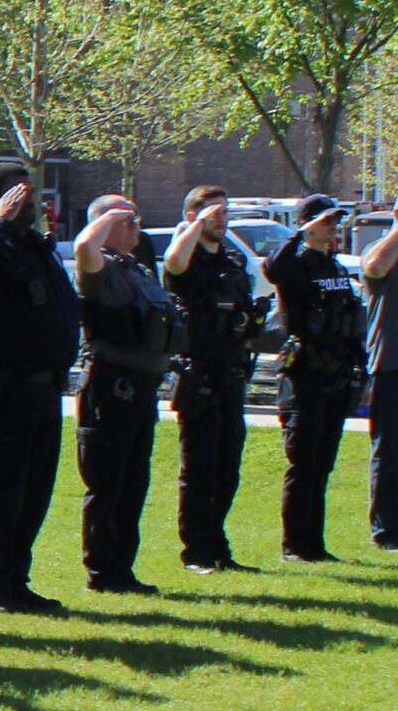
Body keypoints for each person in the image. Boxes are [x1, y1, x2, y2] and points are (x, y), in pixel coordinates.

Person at [0, 163, 81, 612]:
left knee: (34, 491)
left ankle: (16, 579)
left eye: (32, 194)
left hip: (43, 387)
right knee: (0, 488)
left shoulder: (36, 247)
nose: (30, 203)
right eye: (19, 195)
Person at [70, 194, 184, 596]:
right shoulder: (97, 265)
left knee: (134, 482)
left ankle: (122, 568)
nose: (137, 226)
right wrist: (110, 214)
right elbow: (83, 246)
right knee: (108, 482)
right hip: (110, 387)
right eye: (128, 220)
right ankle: (101, 571)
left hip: (142, 388)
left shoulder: (136, 268)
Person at [165, 187, 265, 573]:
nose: (222, 219)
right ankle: (196, 552)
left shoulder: (232, 259)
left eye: (225, 212)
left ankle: (218, 544)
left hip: (231, 372)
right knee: (199, 466)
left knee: (227, 466)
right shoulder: (186, 258)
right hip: (199, 374)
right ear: (193, 216)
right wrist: (195, 225)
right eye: (214, 213)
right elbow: (173, 262)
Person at [265, 193, 366, 562]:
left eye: (335, 221)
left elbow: (349, 321)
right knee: (303, 462)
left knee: (322, 464)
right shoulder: (296, 266)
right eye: (327, 222)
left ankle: (314, 545)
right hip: (304, 376)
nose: (333, 227)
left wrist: (359, 365)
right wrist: (299, 232)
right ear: (309, 225)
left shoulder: (336, 267)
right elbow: (273, 269)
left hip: (335, 375)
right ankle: (294, 545)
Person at [362, 210, 398, 552]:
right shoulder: (381, 250)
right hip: (392, 365)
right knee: (390, 453)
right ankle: (387, 530)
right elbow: (374, 268)